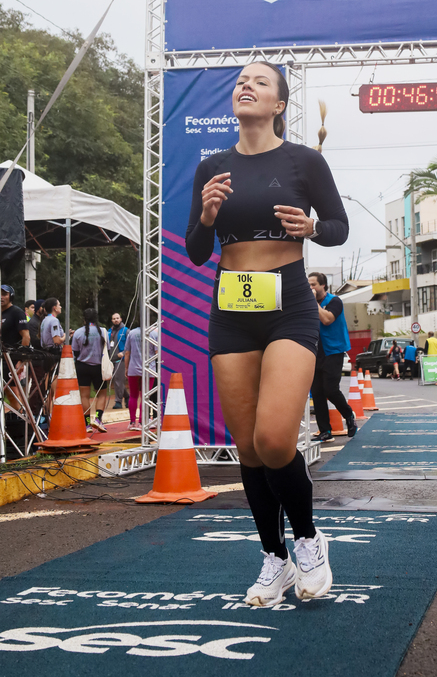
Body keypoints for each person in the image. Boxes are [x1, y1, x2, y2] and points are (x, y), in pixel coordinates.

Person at [185, 61, 348, 608]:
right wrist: (207, 217)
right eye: (240, 81)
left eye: (259, 81)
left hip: (289, 304)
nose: (245, 86)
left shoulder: (304, 161)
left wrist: (313, 229)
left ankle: (310, 542)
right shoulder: (213, 166)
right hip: (231, 308)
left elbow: (338, 226)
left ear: (279, 103)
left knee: (276, 439)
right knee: (249, 449)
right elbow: (196, 251)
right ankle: (273, 559)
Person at [307, 272, 357, 443]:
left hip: (333, 351)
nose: (310, 288)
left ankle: (349, 415)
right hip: (315, 352)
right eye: (309, 285)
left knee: (330, 389)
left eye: (313, 284)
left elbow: (327, 319)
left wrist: (313, 303)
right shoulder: (308, 303)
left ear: (323, 286)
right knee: (317, 392)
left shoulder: (335, 301)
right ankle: (325, 430)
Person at [71, 309, 109, 433]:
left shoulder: (78, 332)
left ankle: (87, 424)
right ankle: (98, 419)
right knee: (102, 394)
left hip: (82, 367)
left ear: (84, 319)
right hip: (98, 367)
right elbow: (107, 349)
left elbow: (75, 352)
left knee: (84, 396)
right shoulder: (103, 331)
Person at [124, 325, 147, 431]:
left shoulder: (131, 333)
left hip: (133, 368)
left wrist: (126, 367)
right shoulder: (153, 333)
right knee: (145, 396)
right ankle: (142, 422)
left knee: (133, 395)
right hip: (148, 369)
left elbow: (127, 352)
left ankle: (132, 422)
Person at [108, 312, 129, 409]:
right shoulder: (110, 331)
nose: (116, 320)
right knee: (116, 380)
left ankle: (118, 401)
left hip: (121, 359)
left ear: (121, 319)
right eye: (114, 318)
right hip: (111, 358)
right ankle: (126, 396)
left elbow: (130, 344)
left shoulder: (126, 331)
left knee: (118, 379)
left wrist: (124, 353)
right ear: (112, 320)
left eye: (117, 318)